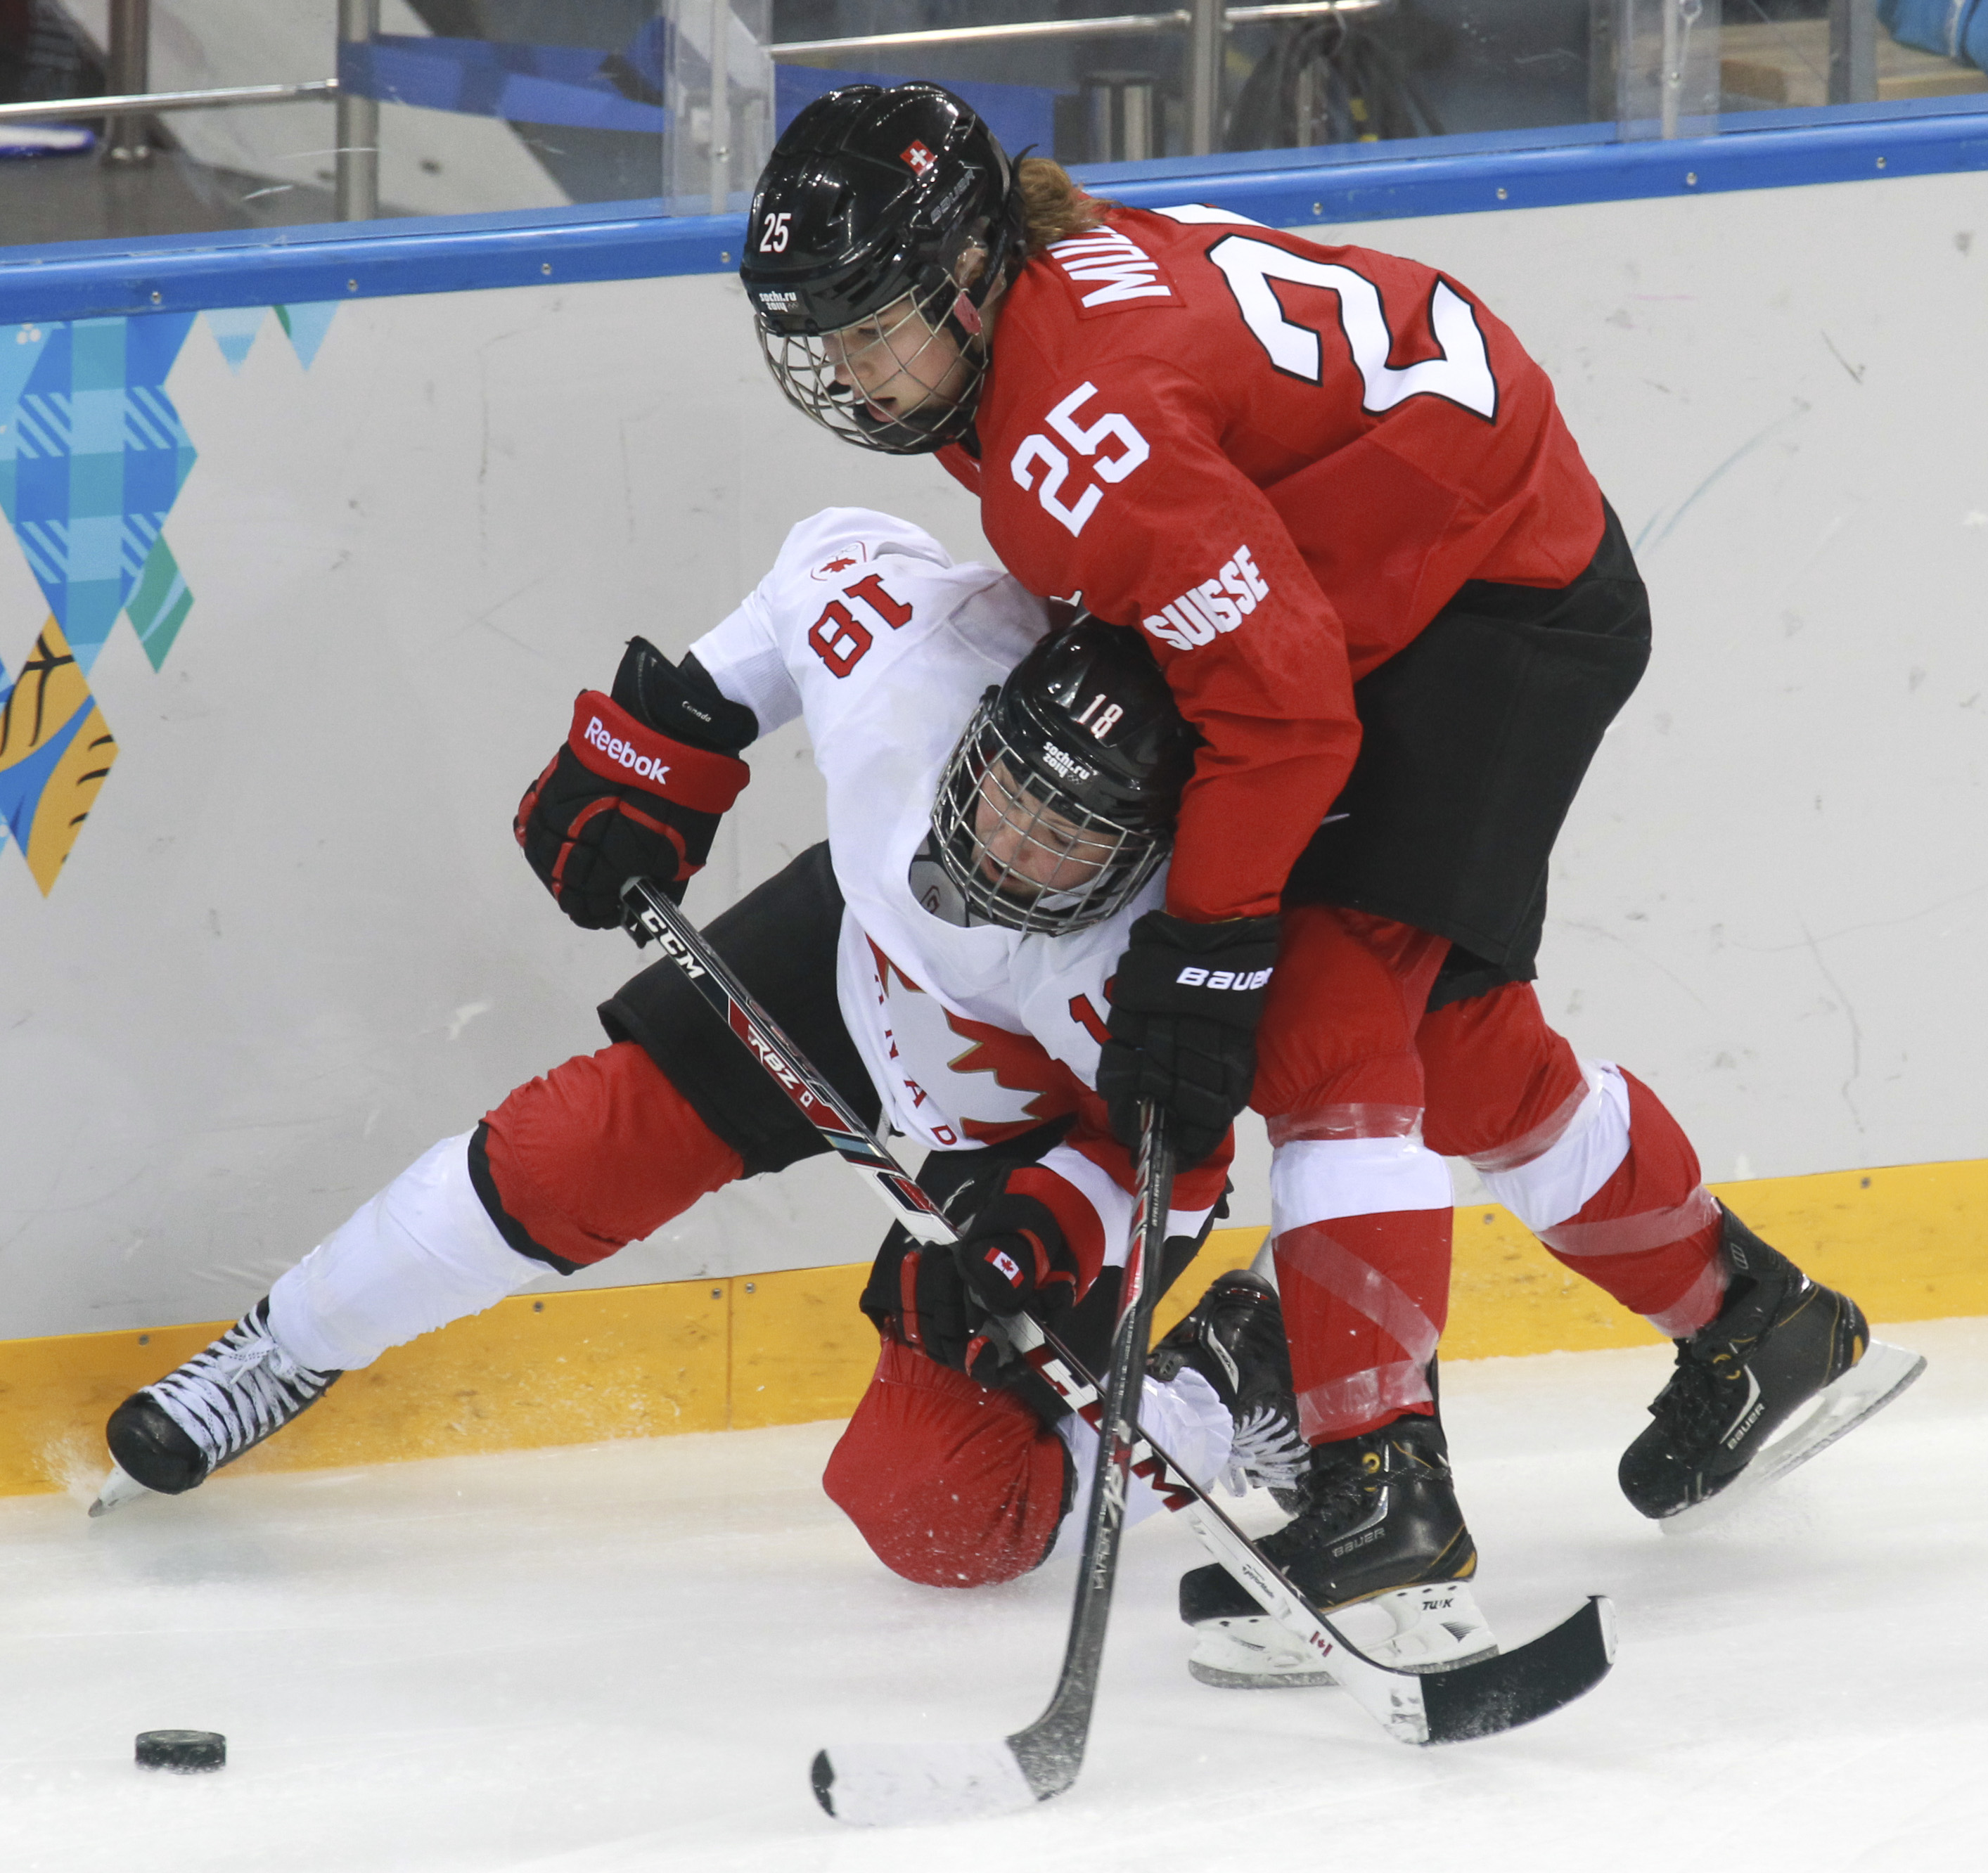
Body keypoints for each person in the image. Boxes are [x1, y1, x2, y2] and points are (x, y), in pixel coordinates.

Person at [738, 83, 1925, 1685]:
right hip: (1436, 557)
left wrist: (1211, 944)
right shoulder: (1053, 310)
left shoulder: (1069, 423)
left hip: (1484, 592)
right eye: (827, 333)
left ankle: (1383, 1499)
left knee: (1320, 1022)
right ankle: (1753, 1328)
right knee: (1449, 1033)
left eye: (875, 322)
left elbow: (1285, 695)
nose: (852, 369)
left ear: (963, 272)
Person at [95, 510, 1314, 1609]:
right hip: (853, 948)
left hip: (1020, 1135)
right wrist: (667, 737)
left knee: (935, 1514)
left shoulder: (1147, 958)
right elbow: (816, 570)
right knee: (571, 1151)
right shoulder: (920, 676)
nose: (1007, 844)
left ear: (1138, 854)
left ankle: (1226, 1387)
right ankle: (279, 1350)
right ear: (985, 724)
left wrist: (1042, 1232)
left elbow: (1175, 1161)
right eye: (1005, 791)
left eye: (1065, 839)